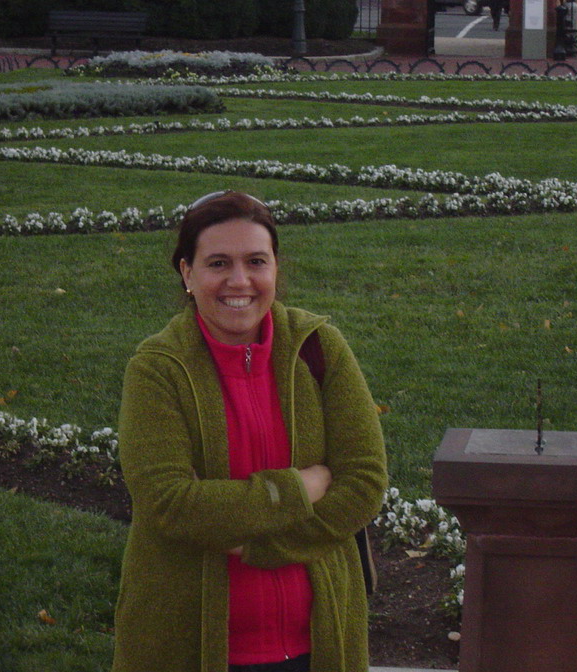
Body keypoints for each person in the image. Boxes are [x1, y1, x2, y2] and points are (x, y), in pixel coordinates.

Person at [113, 190, 388, 672]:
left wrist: (257, 543)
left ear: (275, 269)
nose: (239, 281)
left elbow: (363, 482)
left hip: (319, 645)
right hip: (194, 647)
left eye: (256, 261)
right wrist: (300, 487)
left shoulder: (318, 346)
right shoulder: (158, 368)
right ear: (187, 273)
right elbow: (169, 503)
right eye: (218, 262)